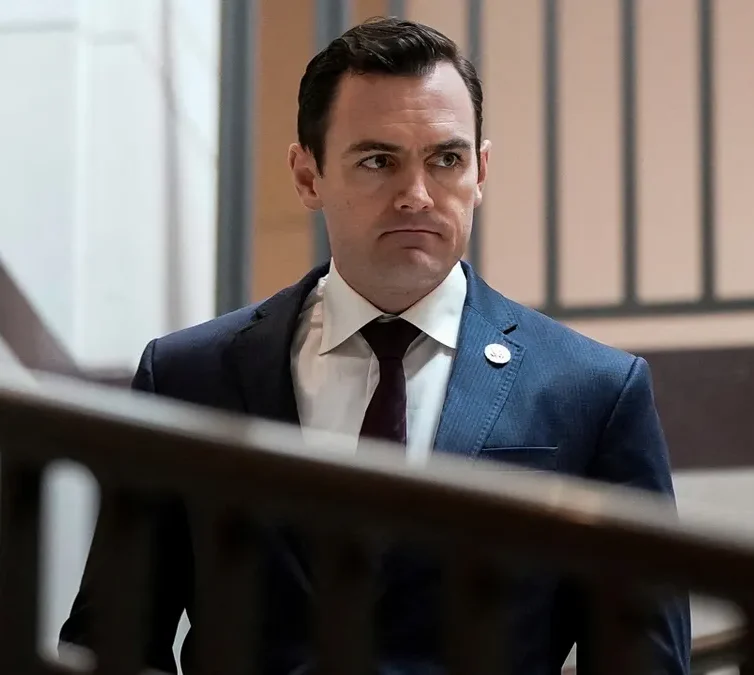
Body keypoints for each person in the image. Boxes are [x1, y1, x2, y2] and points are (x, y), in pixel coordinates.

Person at [60, 16, 691, 675]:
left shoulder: (591, 391)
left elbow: (642, 659)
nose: (415, 196)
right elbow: (113, 637)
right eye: (378, 161)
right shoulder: (187, 376)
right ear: (307, 176)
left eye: (445, 160)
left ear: (480, 171)